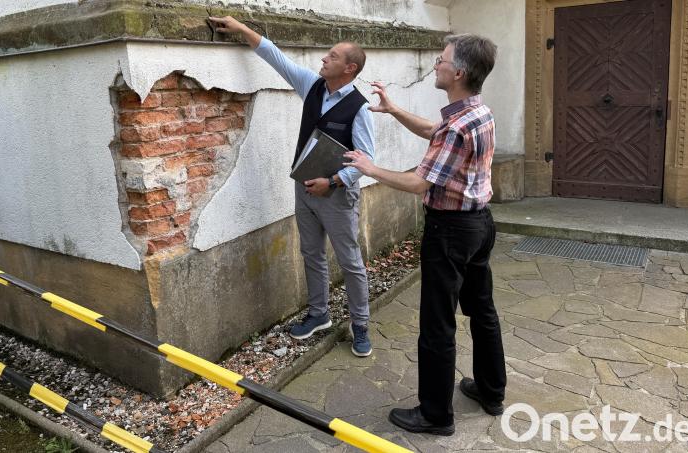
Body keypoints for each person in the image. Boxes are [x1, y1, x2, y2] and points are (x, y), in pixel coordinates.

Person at [344, 34, 506, 435]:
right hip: (480, 225)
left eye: (441, 60)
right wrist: (393, 109)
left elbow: (419, 183)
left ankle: (435, 414)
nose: (436, 64)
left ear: (459, 72)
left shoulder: (457, 126)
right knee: (482, 311)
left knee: (437, 323)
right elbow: (436, 132)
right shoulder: (475, 113)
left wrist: (369, 168)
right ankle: (491, 391)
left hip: (450, 232)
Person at [209, 16, 375, 357]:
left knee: (350, 263)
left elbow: (366, 159)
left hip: (337, 196)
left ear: (350, 67)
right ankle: (319, 315)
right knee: (311, 252)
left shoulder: (360, 108)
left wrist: (331, 181)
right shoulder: (312, 86)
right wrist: (241, 30)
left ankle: (360, 326)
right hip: (304, 189)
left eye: (332, 56)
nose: (323, 59)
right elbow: (275, 56)